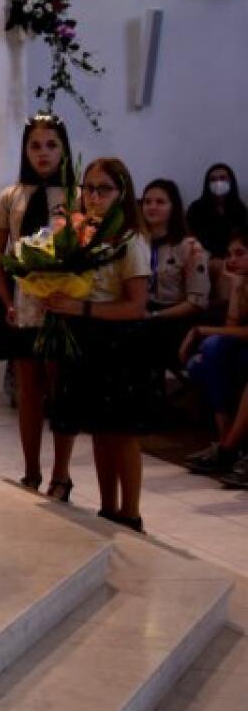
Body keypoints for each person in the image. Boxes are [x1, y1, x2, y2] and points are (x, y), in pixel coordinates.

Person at [46, 158, 152, 532]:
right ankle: (108, 509)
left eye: (103, 189)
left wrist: (82, 307)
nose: (93, 197)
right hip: (86, 337)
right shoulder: (83, 235)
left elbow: (136, 306)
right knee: (100, 429)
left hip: (119, 342)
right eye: (88, 188)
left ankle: (131, 513)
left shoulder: (130, 241)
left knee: (122, 432)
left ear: (122, 194)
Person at [0, 113, 77, 500]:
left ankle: (62, 474)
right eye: (35, 145)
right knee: (28, 391)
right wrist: (7, 300)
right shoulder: (11, 196)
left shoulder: (76, 196)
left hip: (62, 306)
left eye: (52, 145)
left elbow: (85, 253)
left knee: (61, 389)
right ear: (25, 150)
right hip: (21, 303)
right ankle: (30, 471)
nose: (43, 153)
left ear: (64, 149)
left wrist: (70, 294)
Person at [181, 226, 248, 477]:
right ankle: (225, 437)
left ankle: (228, 447)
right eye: (230, 254)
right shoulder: (242, 281)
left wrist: (200, 330)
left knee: (211, 347)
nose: (232, 260)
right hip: (240, 349)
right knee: (209, 354)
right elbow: (232, 326)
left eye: (240, 253)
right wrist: (237, 289)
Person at [140, 178, 209, 369]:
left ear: (173, 207)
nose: (152, 207)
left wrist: (155, 315)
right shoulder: (137, 243)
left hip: (174, 317)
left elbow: (197, 302)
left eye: (160, 202)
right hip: (141, 310)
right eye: (147, 202)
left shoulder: (190, 247)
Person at [186, 162, 248, 306]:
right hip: (205, 255)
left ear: (231, 182)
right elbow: (192, 238)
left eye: (222, 178)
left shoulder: (239, 208)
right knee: (221, 266)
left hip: (231, 254)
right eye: (213, 179)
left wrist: (233, 256)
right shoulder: (197, 208)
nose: (218, 182)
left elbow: (242, 238)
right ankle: (223, 308)